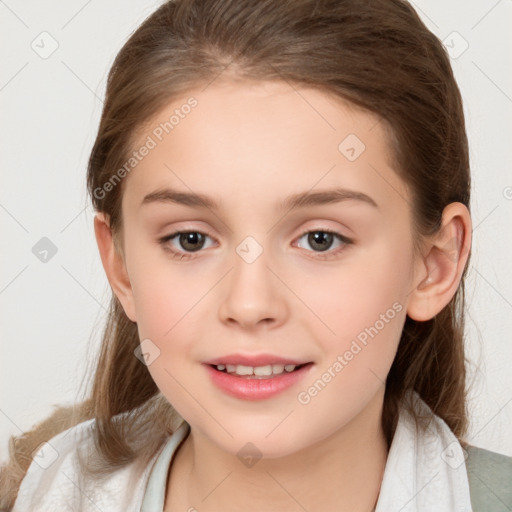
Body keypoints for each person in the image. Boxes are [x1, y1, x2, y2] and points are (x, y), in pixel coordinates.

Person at [2, 0, 511, 510]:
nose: (249, 305)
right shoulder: (41, 494)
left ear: (435, 265)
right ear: (121, 266)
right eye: (190, 239)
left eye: (320, 239)